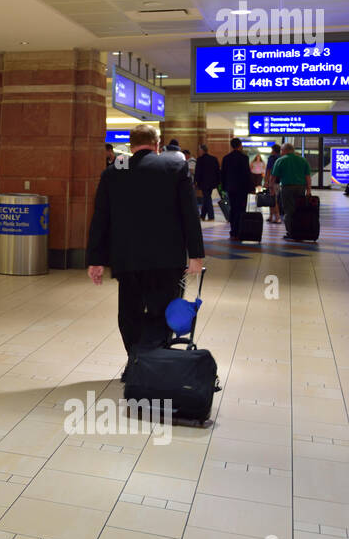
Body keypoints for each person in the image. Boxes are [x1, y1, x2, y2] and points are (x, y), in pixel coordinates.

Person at [86, 124, 205, 374]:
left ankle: (135, 359)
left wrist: (95, 260)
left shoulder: (114, 171)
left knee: (129, 313)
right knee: (163, 312)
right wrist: (195, 255)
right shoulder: (174, 166)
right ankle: (154, 362)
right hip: (167, 260)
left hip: (127, 259)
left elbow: (100, 218)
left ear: (130, 146)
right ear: (158, 144)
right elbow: (189, 215)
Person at [270, 142, 311, 240]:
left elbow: (273, 177)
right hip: (300, 188)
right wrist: (309, 189)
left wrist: (271, 189)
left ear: (285, 150)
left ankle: (291, 232)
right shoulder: (302, 160)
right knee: (299, 209)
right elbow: (308, 176)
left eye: (281, 150)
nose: (281, 152)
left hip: (287, 188)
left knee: (288, 210)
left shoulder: (280, 160)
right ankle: (299, 231)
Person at [220, 137, 251, 240]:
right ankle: (239, 230)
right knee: (241, 209)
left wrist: (223, 187)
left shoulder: (226, 158)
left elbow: (223, 174)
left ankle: (233, 231)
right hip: (242, 188)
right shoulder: (244, 158)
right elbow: (247, 174)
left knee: (233, 208)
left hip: (231, 188)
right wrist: (251, 187)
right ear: (240, 145)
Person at [194, 144, 220, 222]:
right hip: (212, 183)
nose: (198, 152)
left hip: (203, 183)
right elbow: (217, 171)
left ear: (202, 150)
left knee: (207, 198)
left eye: (199, 150)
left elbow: (197, 172)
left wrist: (196, 182)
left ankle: (211, 216)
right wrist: (218, 181)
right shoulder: (214, 159)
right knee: (206, 197)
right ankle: (202, 216)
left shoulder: (200, 159)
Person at [265, 144, 282, 223]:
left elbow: (268, 170)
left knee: (273, 200)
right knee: (272, 199)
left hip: (272, 181)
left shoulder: (272, 158)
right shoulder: (281, 158)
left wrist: (266, 181)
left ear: (274, 151)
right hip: (280, 181)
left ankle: (277, 217)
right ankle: (271, 216)